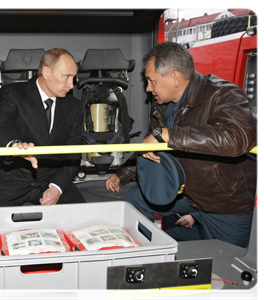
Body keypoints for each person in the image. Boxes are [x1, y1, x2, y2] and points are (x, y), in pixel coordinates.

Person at [105, 42, 258, 248]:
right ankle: (148, 254)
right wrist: (121, 174)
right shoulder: (162, 106)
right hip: (189, 192)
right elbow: (150, 146)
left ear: (175, 78)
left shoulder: (222, 94)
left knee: (228, 267)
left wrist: (168, 134)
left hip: (225, 202)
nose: (148, 88)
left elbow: (237, 137)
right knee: (135, 199)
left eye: (152, 81)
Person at [0, 48, 86, 206]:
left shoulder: (73, 106)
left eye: (73, 78)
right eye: (66, 76)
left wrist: (57, 188)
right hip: (12, 179)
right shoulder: (12, 93)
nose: (71, 85)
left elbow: (73, 152)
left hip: (51, 179)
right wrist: (14, 146)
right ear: (46, 72)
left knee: (83, 219)